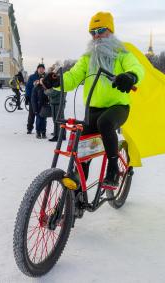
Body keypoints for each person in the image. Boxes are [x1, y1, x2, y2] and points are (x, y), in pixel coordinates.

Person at [43, 11, 144, 187]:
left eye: (101, 30)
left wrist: (130, 76)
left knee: (105, 123)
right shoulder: (87, 58)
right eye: (93, 32)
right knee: (82, 143)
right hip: (93, 110)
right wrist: (57, 81)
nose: (96, 35)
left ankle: (113, 168)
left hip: (118, 107)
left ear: (110, 31)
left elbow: (136, 68)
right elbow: (73, 77)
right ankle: (77, 185)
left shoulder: (121, 54)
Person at [25, 64, 45, 134]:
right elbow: (28, 87)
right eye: (40, 68)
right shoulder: (32, 77)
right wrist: (27, 96)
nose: (41, 70)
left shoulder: (45, 77)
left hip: (42, 100)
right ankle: (29, 128)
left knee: (42, 115)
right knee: (31, 114)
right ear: (37, 69)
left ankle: (41, 130)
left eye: (42, 68)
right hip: (33, 100)